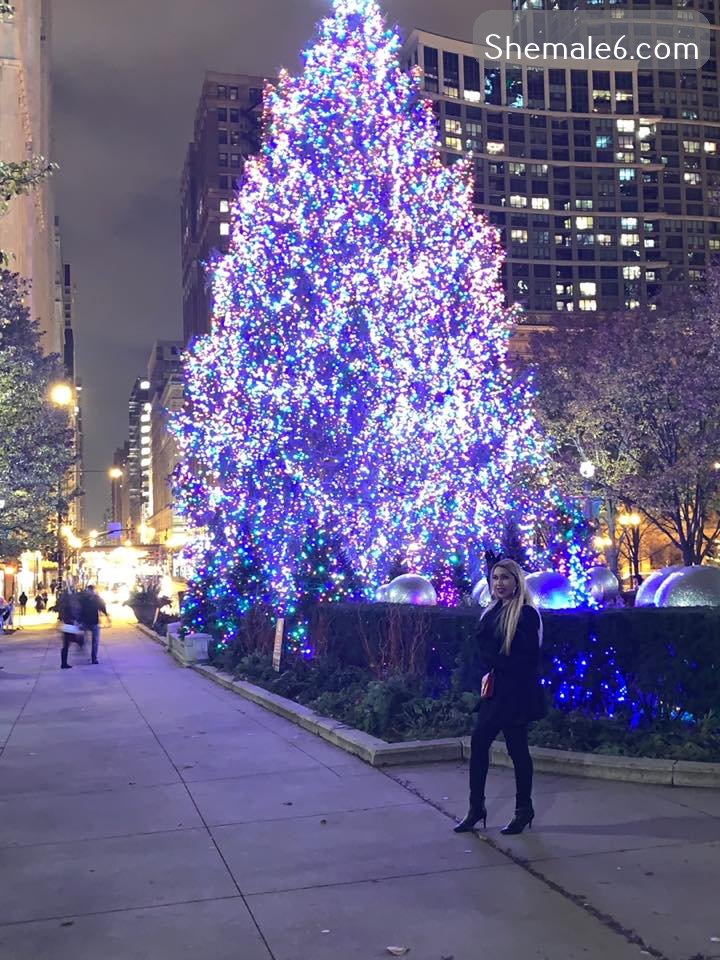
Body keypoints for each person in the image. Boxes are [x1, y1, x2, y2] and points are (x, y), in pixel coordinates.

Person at [454, 559, 546, 837]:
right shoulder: (492, 611)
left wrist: (496, 663)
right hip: (495, 692)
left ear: (517, 581)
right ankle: (477, 807)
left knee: (517, 751)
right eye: (495, 578)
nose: (499, 583)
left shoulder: (526, 614)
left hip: (515, 693)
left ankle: (523, 809)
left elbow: (527, 658)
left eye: (505, 577)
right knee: (480, 744)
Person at [79, 585, 110, 665]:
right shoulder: (83, 599)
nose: (89, 592)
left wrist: (107, 616)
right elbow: (79, 610)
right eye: (88, 591)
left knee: (95, 641)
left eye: (91, 591)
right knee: (83, 639)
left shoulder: (97, 599)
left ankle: (94, 658)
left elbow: (102, 607)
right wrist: (79, 621)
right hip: (85, 622)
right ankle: (82, 645)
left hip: (94, 623)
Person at [58, 590, 83, 669]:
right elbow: (72, 614)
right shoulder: (69, 605)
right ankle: (64, 663)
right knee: (74, 640)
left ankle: (63, 663)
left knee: (66, 645)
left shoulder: (64, 604)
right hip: (69, 625)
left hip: (66, 625)